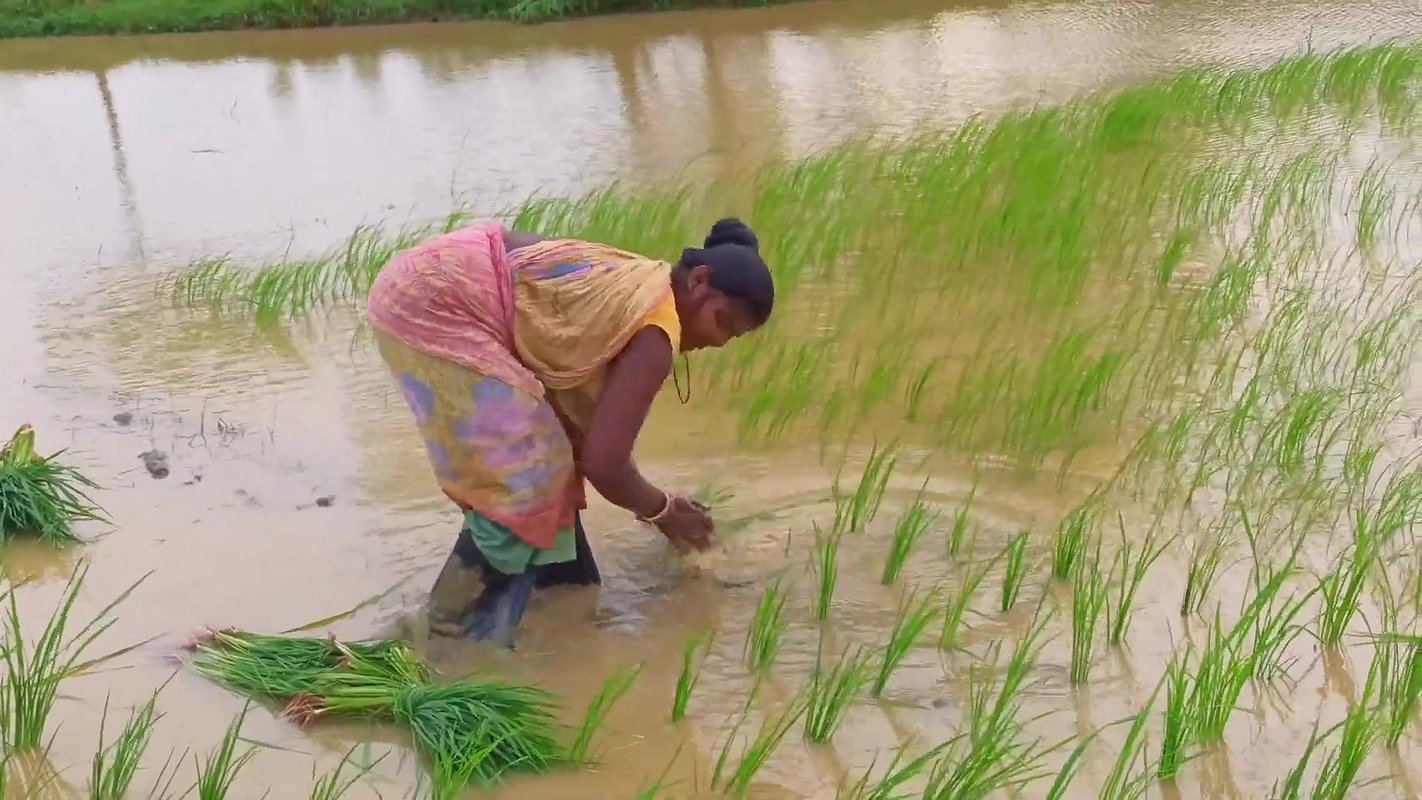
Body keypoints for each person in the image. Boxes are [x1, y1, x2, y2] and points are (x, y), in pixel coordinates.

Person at [366, 218, 774, 646]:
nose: (720, 341)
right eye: (722, 322)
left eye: (733, 336)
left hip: (435, 277)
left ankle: (562, 598)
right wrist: (665, 512)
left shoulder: (649, 287)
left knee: (550, 459)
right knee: (528, 477)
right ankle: (442, 632)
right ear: (699, 281)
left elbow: (581, 436)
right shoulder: (657, 328)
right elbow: (606, 463)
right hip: (436, 301)